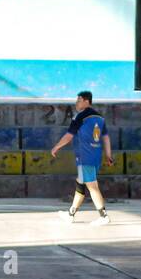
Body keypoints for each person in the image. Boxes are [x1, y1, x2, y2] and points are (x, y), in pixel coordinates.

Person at [50, 90, 115, 225]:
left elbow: (69, 136)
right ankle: (71, 214)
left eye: (79, 100)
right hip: (95, 156)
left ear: (86, 101)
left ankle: (103, 216)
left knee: (92, 186)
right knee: (80, 183)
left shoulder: (80, 117)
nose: (76, 103)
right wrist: (108, 155)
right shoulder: (100, 117)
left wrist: (56, 147)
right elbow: (106, 137)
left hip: (86, 157)